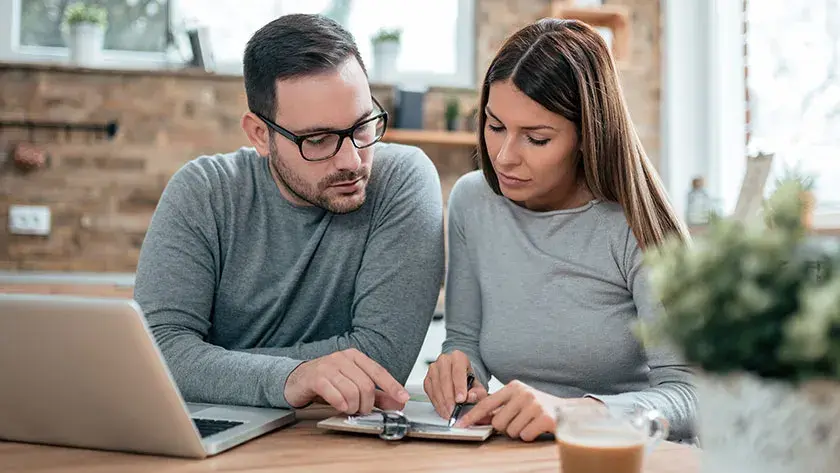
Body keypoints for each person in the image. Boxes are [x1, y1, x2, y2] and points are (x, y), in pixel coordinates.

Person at [133, 14, 445, 416]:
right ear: (261, 135)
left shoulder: (402, 181)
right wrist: (292, 377)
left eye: (364, 126)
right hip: (210, 431)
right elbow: (158, 353)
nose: (352, 160)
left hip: (334, 440)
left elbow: (382, 360)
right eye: (318, 140)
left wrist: (213, 365)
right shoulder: (204, 192)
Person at [423, 18, 696, 442]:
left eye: (536, 138)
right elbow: (464, 341)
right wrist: (458, 371)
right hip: (525, 454)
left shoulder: (638, 224)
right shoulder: (472, 202)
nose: (504, 157)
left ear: (588, 136)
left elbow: (692, 395)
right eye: (495, 127)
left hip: (627, 458)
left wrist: (573, 413)